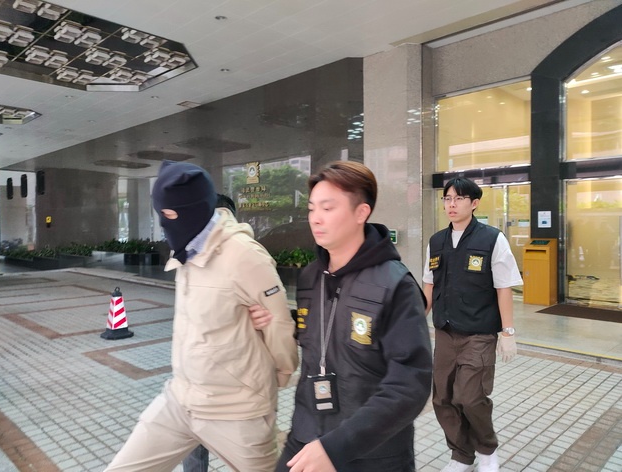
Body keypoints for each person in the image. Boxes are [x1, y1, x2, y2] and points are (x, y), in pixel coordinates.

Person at [104, 161, 298, 472]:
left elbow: (279, 323)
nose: (164, 223)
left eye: (169, 215)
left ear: (193, 211)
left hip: (236, 409)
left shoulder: (244, 255)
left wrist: (279, 375)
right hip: (180, 398)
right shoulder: (186, 247)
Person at [276, 160, 433, 472]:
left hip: (374, 453)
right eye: (311, 208)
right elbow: (319, 336)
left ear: (361, 213)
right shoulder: (310, 277)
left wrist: (337, 446)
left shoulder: (395, 284)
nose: (315, 218)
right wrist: (272, 323)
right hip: (307, 436)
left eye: (328, 208)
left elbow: (410, 384)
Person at [422, 178, 522, 472]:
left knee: (470, 397)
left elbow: (504, 287)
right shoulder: (436, 241)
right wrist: (413, 322)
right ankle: (461, 456)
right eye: (447, 198)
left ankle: (487, 450)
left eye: (459, 198)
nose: (451, 204)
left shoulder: (492, 239)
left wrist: (508, 332)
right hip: (445, 333)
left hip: (478, 333)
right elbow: (429, 287)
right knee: (442, 398)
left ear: (474, 203)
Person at [181, 193, 237, 472]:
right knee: (194, 442)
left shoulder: (247, 261)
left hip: (235, 376)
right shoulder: (189, 263)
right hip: (198, 376)